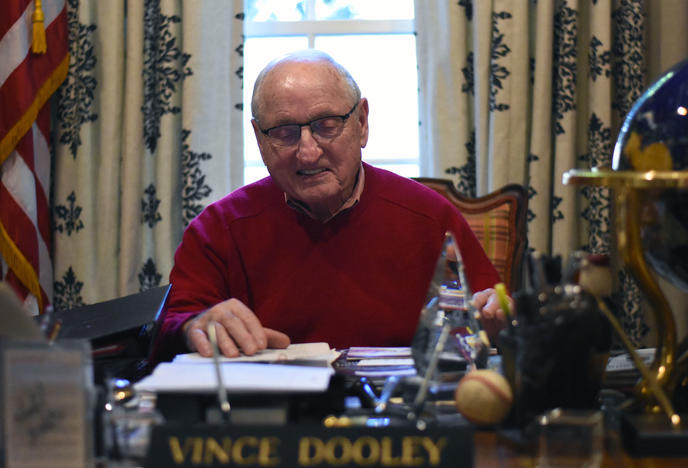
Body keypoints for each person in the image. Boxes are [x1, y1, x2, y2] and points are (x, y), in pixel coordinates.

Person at [151, 50, 506, 363]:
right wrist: (194, 327)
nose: (308, 152)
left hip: (398, 416)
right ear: (260, 139)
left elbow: (493, 316)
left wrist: (497, 316)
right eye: (286, 132)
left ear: (362, 123)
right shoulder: (218, 228)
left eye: (326, 126)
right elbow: (167, 330)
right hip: (269, 423)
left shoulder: (430, 218)